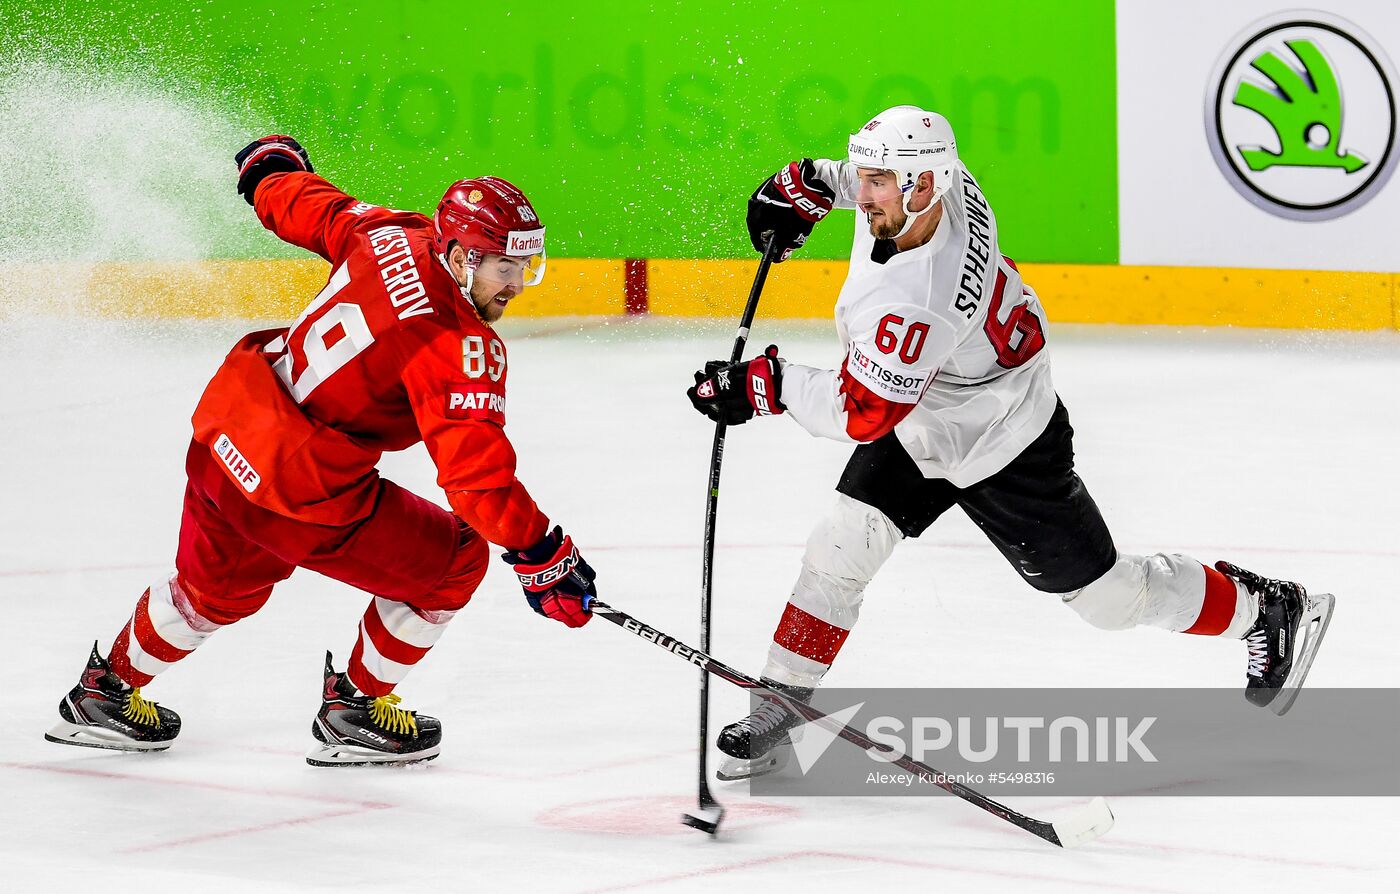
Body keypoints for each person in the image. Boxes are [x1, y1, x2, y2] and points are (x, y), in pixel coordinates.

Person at [686, 106, 1335, 780]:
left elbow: (861, 412)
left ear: (919, 187)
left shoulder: (918, 296)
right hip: (935, 407)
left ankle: (1268, 611)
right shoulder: (943, 183)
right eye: (869, 178)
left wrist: (768, 385)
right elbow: (866, 189)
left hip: (1003, 439)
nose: (866, 192)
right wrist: (811, 182)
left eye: (878, 182)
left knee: (1108, 601)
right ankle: (782, 702)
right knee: (840, 546)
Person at [46, 135, 598, 767]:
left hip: (225, 440)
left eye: (526, 266)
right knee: (453, 562)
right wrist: (539, 551)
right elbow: (475, 483)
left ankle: (105, 691)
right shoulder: (455, 342)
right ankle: (354, 709)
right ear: (461, 257)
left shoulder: (392, 235)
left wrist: (269, 174)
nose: (519, 284)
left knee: (212, 593)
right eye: (505, 267)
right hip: (297, 487)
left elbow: (317, 207)